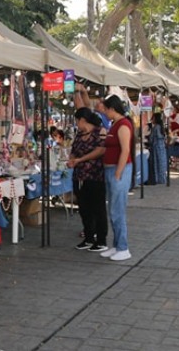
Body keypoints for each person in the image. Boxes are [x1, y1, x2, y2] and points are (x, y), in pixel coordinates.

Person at [68, 107, 108, 252]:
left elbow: (101, 150)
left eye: (77, 121)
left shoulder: (99, 132)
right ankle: (89, 237)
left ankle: (101, 240)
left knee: (98, 208)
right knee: (84, 209)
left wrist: (81, 159)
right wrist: (73, 159)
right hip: (79, 176)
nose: (77, 124)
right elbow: (74, 150)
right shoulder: (79, 134)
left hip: (95, 176)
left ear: (83, 120)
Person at [100, 94, 134, 262]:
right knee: (113, 209)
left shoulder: (123, 125)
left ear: (112, 109)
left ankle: (123, 247)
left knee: (117, 210)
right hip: (111, 170)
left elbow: (125, 150)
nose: (105, 113)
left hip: (118, 171)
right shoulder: (114, 124)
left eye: (106, 110)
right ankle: (116, 245)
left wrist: (118, 173)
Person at [150, 112, 167, 185]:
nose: (152, 120)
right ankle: (162, 178)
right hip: (161, 146)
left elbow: (151, 138)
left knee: (157, 163)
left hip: (156, 146)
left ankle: (157, 178)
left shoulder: (155, 127)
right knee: (162, 163)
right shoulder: (161, 127)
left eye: (153, 118)